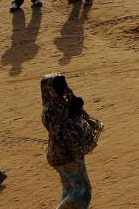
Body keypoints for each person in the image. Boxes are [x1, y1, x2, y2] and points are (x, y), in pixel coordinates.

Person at [41, 73, 101, 209]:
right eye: (59, 86)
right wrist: (72, 113)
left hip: (66, 154)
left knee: (69, 190)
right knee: (83, 191)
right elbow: (62, 133)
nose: (63, 88)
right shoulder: (50, 111)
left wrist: (75, 105)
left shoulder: (61, 104)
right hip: (65, 156)